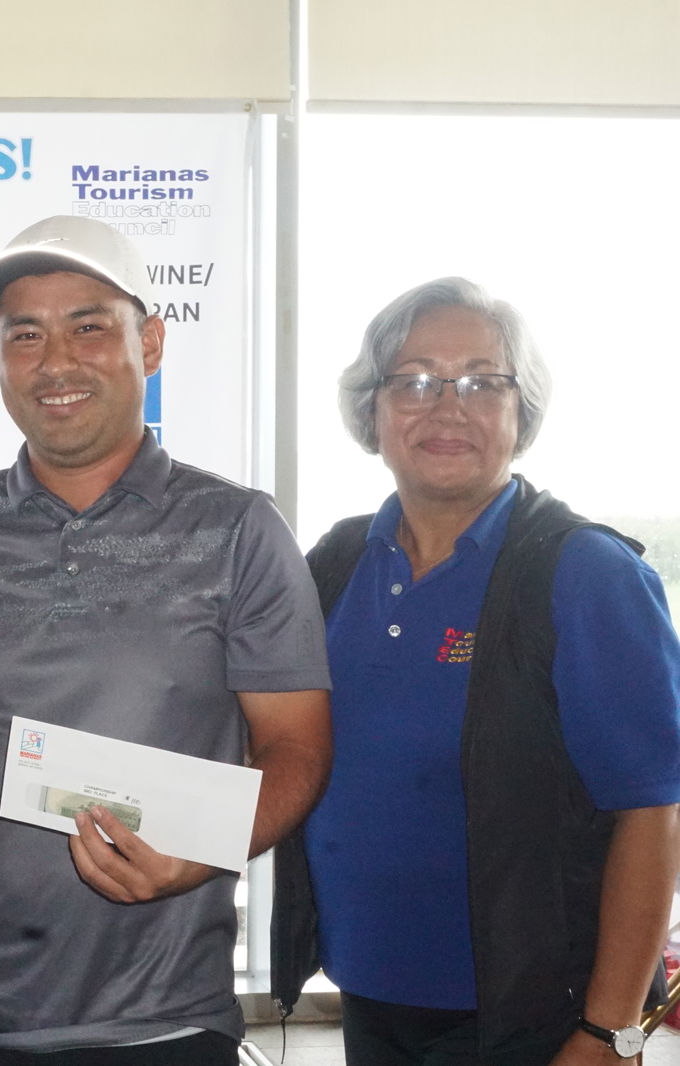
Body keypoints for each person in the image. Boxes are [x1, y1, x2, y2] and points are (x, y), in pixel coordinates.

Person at [0, 215, 334, 1064]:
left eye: (88, 326)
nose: (56, 362)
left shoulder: (237, 531)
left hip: (162, 1025)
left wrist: (201, 848)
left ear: (149, 343)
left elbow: (296, 746)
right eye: (25, 335)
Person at [271, 277, 680, 1065]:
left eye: (482, 382)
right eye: (416, 380)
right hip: (367, 991)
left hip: (531, 1016)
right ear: (373, 411)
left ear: (520, 413)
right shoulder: (337, 561)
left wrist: (607, 1032)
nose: (447, 407)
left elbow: (652, 813)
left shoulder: (583, 573)